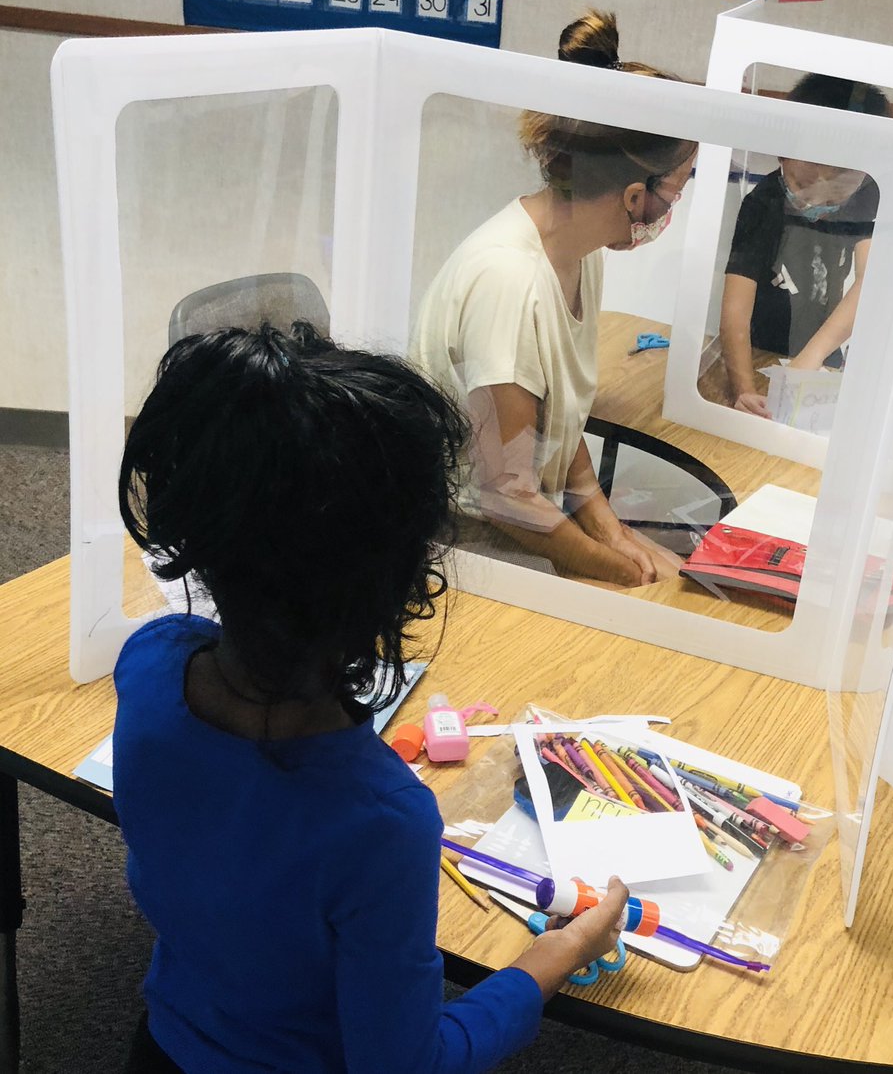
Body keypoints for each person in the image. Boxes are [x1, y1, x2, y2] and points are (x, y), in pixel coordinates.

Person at [115, 323, 629, 1074]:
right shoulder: (381, 821)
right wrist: (548, 961)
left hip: (161, 1049)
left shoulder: (148, 667)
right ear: (401, 588)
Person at [413, 10, 697, 587]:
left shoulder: (580, 252)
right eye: (680, 185)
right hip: (469, 544)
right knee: (658, 600)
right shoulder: (509, 284)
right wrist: (619, 568)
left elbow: (557, 433)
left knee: (675, 577)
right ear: (635, 194)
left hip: (524, 520)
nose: (680, 201)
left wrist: (611, 530)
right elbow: (505, 493)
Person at [718, 74, 889, 418]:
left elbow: (873, 280)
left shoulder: (868, 195)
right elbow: (735, 308)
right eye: (805, 184)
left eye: (839, 189)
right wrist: (744, 389)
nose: (817, 202)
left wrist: (811, 359)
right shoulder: (764, 202)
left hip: (823, 359)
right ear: (783, 154)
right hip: (761, 353)